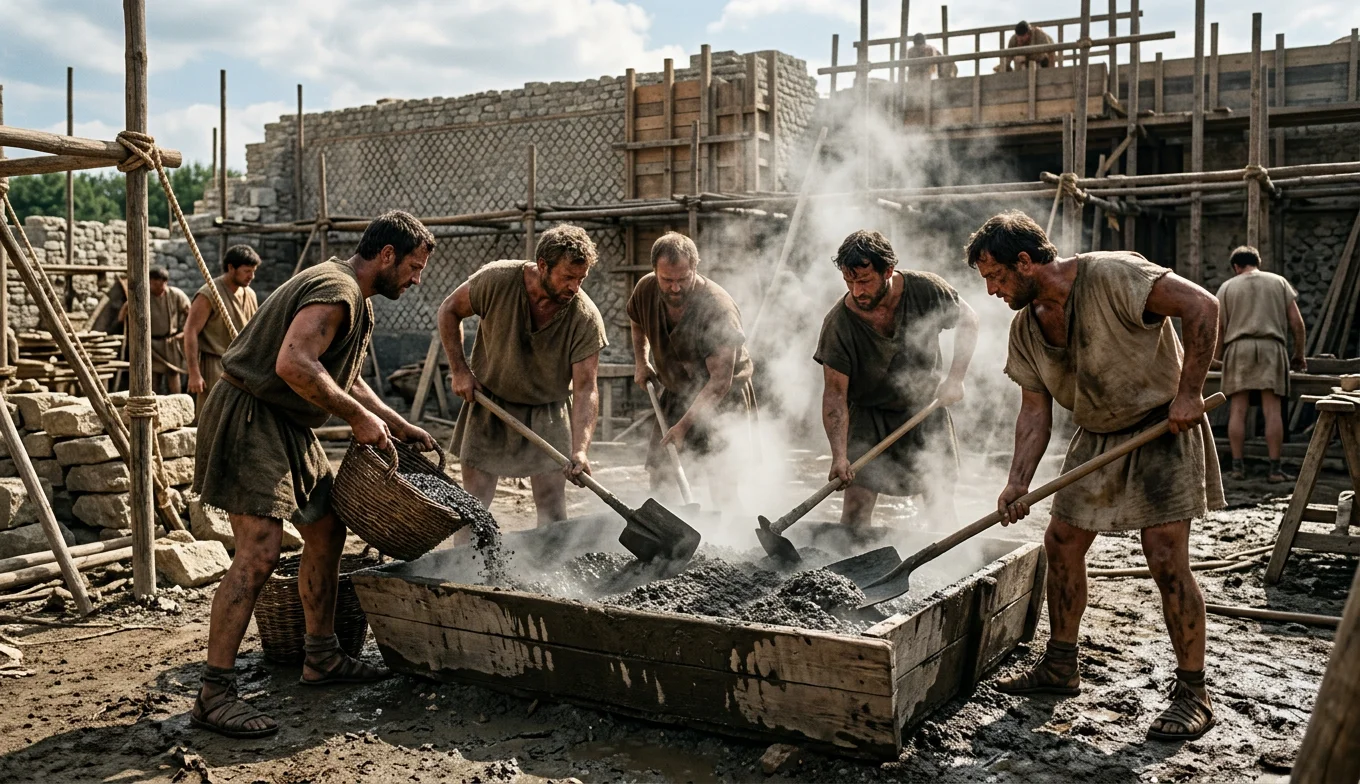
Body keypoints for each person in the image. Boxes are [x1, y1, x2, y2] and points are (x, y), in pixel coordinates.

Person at [967, 211, 1224, 742]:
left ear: (1025, 260)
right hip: (1096, 436)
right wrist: (1017, 482)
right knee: (1060, 542)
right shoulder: (1026, 328)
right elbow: (1034, 412)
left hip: (1161, 429)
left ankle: (1194, 692)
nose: (991, 290)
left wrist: (1189, 393)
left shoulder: (1111, 275)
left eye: (995, 276)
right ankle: (1061, 665)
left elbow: (1202, 305)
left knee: (1165, 556)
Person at [190, 210, 437, 738]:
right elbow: (295, 364)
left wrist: (396, 423)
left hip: (286, 423)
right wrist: (355, 418)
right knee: (259, 550)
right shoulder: (336, 289)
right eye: (414, 267)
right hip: (252, 414)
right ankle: (214, 693)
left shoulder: (356, 301)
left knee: (325, 527)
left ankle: (321, 656)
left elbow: (346, 378)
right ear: (387, 255)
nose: (417, 280)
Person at [440, 224, 608, 525]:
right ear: (543, 266)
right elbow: (449, 310)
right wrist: (460, 370)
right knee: (473, 507)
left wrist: (580, 451)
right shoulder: (497, 280)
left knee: (552, 508)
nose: (575, 287)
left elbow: (586, 389)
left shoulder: (585, 318)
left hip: (548, 413)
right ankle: (464, 569)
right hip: (489, 403)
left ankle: (551, 569)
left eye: (581, 279)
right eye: (568, 277)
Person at [814, 230, 978, 529]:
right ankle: (850, 569)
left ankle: (948, 570)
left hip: (924, 407)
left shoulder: (925, 290)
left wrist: (956, 379)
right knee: (855, 510)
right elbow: (835, 395)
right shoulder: (838, 324)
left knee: (940, 501)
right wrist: (839, 456)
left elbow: (969, 320)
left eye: (864, 281)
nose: (857, 291)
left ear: (888, 271)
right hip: (868, 414)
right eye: (849, 282)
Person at [628, 232, 758, 508]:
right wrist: (642, 361)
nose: (675, 288)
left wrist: (683, 427)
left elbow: (719, 383)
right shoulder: (646, 289)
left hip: (723, 399)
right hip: (677, 390)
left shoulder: (718, 309)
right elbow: (637, 320)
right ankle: (671, 537)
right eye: (667, 280)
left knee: (721, 477)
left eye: (682, 280)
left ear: (695, 269)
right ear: (655, 271)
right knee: (662, 472)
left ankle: (727, 541)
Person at [1212, 246, 1307, 483]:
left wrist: (1216, 359)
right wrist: (1299, 354)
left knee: (1238, 410)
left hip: (1238, 349)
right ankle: (1275, 470)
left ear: (1236, 266)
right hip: (1271, 348)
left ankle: (1237, 468)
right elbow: (1297, 323)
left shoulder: (1227, 287)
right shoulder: (1279, 283)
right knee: (1272, 410)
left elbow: (1220, 329)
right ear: (1258, 262)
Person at [184, 244, 260, 406]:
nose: (251, 276)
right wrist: (194, 373)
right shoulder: (209, 293)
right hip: (215, 366)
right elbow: (190, 331)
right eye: (247, 271)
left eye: (253, 271)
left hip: (242, 367)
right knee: (214, 416)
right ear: (231, 268)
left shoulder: (250, 294)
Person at [122, 266, 190, 393]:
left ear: (166, 282)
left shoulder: (176, 295)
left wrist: (184, 333)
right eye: (154, 284)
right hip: (151, 344)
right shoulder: (143, 296)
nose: (158, 287)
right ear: (150, 282)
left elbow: (190, 315)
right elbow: (124, 313)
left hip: (170, 343)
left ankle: (178, 405)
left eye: (161, 283)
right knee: (153, 378)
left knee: (173, 376)